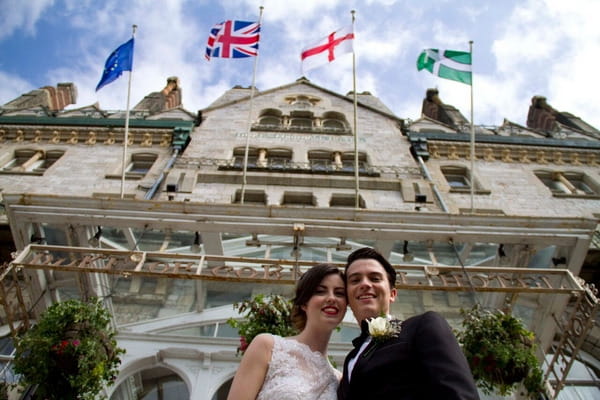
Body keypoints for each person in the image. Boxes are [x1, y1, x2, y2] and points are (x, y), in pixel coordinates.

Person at [337, 247, 480, 400]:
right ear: (348, 298)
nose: (364, 284)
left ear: (392, 294)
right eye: (355, 280)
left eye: (375, 278)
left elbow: (459, 394)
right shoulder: (350, 360)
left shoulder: (422, 326)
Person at [227, 263, 347, 400]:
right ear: (303, 303)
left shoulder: (340, 381)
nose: (332, 298)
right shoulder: (268, 347)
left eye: (339, 293)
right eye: (320, 291)